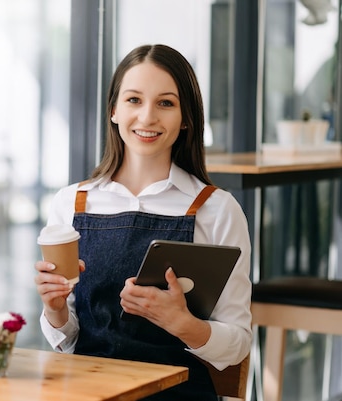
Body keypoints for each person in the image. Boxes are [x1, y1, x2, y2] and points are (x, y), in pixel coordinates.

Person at [34, 44, 252, 400]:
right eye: (134, 100)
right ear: (114, 111)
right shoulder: (71, 203)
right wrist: (54, 308)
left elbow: (238, 345)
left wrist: (184, 325)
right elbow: (69, 340)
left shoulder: (216, 209)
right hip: (89, 390)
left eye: (165, 103)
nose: (147, 117)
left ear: (186, 118)